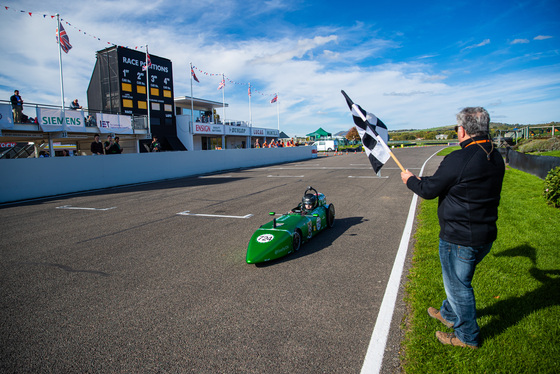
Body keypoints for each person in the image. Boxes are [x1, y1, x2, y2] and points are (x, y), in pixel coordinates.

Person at [400, 107, 505, 349]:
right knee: (458, 281)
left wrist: (411, 181)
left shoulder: (460, 158)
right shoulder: (493, 154)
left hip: (459, 237)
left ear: (464, 130)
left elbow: (429, 190)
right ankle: (448, 314)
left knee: (459, 288)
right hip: (484, 233)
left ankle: (467, 337)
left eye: (457, 128)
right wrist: (421, 180)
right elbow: (449, 183)